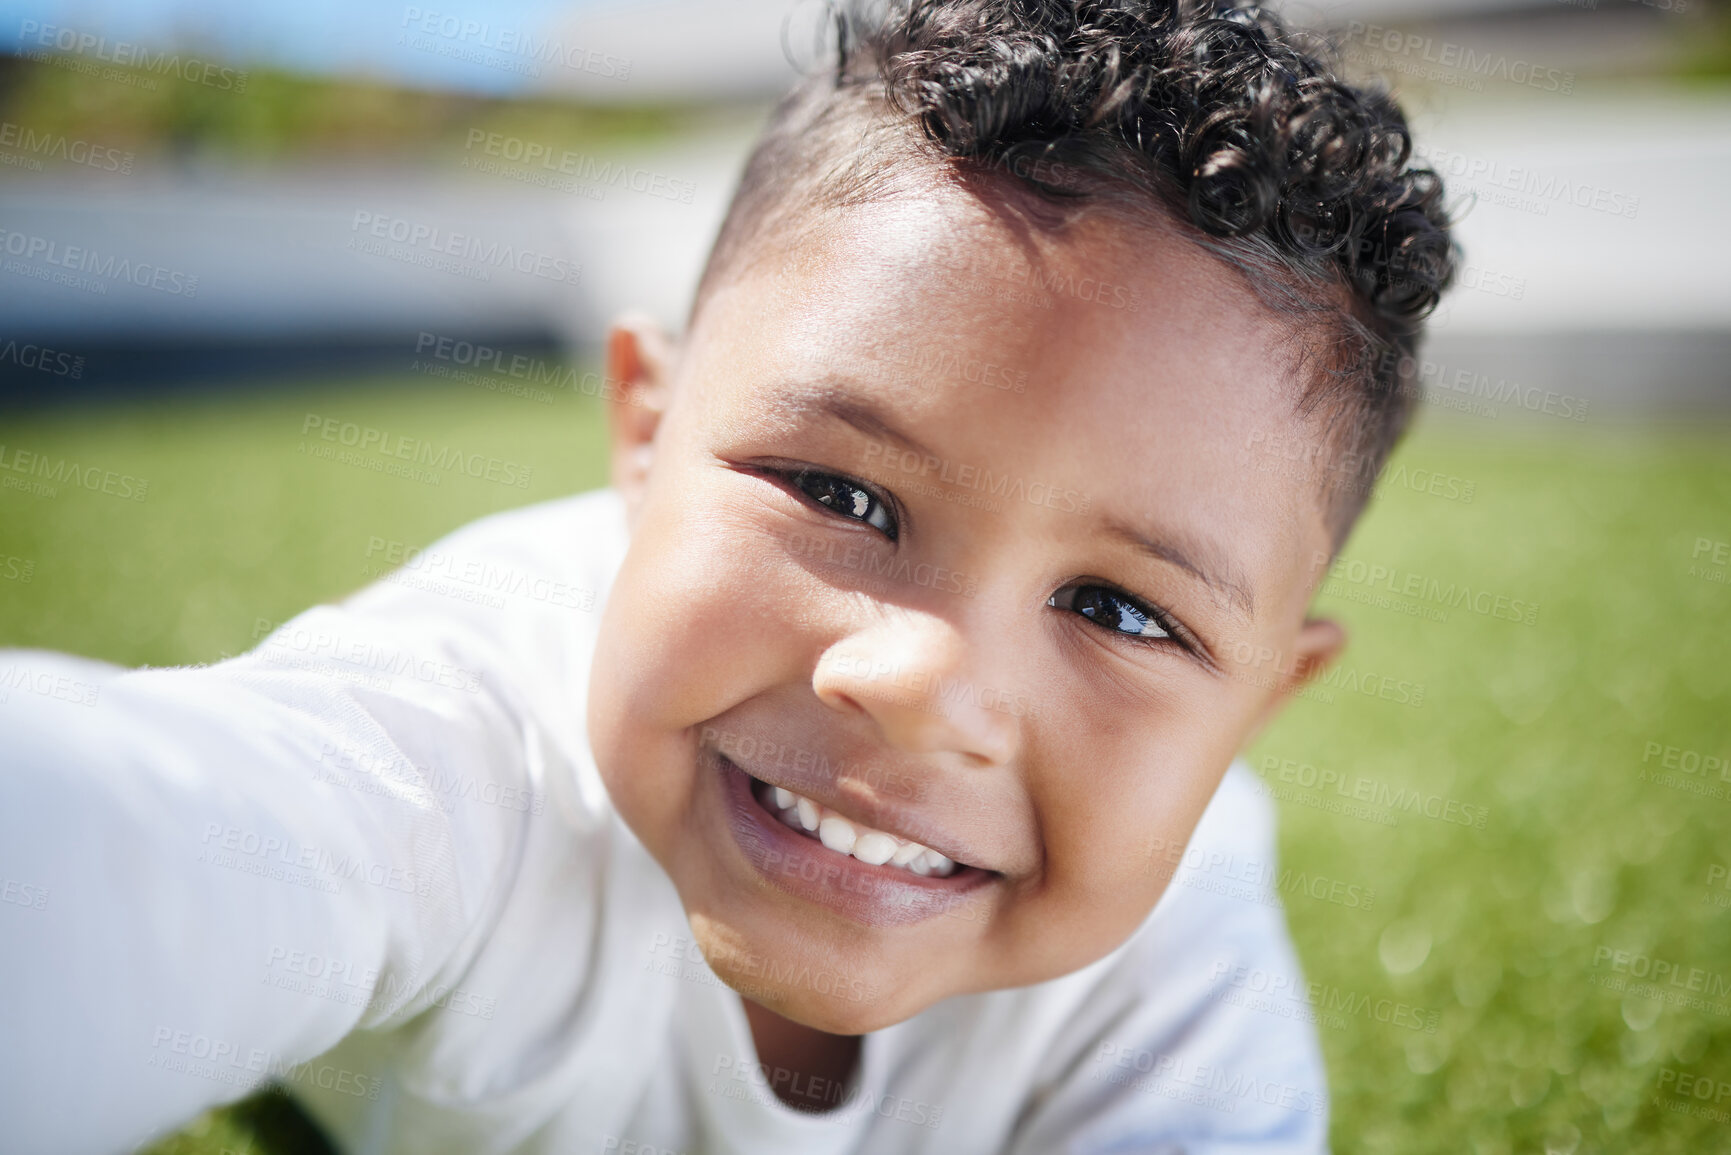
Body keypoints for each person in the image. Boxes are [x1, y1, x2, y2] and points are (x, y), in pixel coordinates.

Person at [0, 0, 1454, 1151]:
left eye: (1122, 611)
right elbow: (130, 846)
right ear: (646, 430)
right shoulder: (466, 738)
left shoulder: (1179, 934)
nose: (918, 686)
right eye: (839, 493)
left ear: (1267, 694)